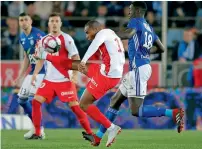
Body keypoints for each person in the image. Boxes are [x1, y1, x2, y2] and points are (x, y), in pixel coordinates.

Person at [82, 2, 185, 146]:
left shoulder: (135, 21)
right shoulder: (149, 27)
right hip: (139, 68)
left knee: (136, 110)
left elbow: (128, 33)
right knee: (115, 101)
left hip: (139, 69)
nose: (128, 12)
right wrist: (145, 52)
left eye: (130, 9)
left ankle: (173, 113)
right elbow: (160, 48)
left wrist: (108, 33)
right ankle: (98, 137)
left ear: (137, 11)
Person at [34, 20, 126, 147]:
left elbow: (94, 44)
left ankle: (111, 128)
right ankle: (45, 55)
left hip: (107, 76)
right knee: (71, 64)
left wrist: (84, 60)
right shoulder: (110, 33)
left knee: (83, 104)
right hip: (106, 71)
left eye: (87, 33)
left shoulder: (102, 33)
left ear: (95, 29)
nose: (87, 37)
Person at [28, 12, 93, 140]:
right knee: (35, 102)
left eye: (57, 21)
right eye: (52, 21)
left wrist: (75, 75)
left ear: (61, 24)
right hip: (49, 80)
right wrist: (35, 73)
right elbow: (41, 59)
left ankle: (90, 133)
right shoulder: (43, 41)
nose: (54, 23)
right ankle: (37, 132)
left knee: (75, 107)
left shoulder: (67, 39)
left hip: (64, 80)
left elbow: (76, 57)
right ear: (48, 24)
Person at [12, 12, 46, 139]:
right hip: (33, 71)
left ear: (31, 21)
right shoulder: (22, 37)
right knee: (21, 100)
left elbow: (42, 58)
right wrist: (20, 75)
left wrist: (36, 74)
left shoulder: (39, 35)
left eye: (26, 19)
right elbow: (27, 57)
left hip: (43, 71)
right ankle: (36, 126)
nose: (23, 22)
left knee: (33, 100)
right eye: (21, 20)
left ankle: (39, 130)